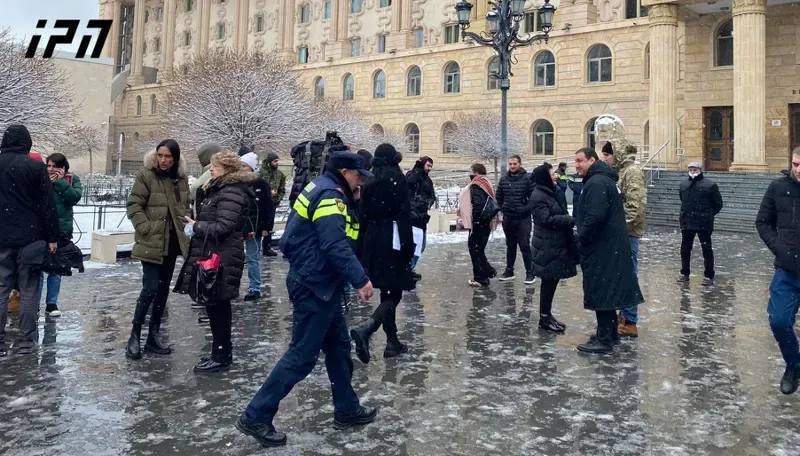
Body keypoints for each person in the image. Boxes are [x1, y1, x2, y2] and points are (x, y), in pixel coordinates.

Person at [237, 152, 376, 447]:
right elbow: (334, 244)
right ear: (344, 171)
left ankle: (346, 408)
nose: (360, 180)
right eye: (358, 175)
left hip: (319, 282)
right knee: (301, 356)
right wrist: (360, 279)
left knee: (339, 348)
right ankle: (257, 414)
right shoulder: (330, 196)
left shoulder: (320, 185)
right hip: (315, 285)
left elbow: (294, 239)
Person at [179, 151, 253, 372]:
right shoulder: (220, 188)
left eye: (215, 167)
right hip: (215, 254)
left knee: (219, 305)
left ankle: (221, 355)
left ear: (227, 170)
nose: (211, 170)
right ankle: (219, 352)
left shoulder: (231, 192)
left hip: (221, 256)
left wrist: (196, 226)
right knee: (214, 304)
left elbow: (223, 227)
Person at [573, 148, 644, 354]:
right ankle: (610, 333)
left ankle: (604, 340)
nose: (576, 165)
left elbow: (594, 217)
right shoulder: (602, 180)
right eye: (575, 161)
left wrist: (581, 238)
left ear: (592, 160)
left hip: (602, 247)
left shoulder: (596, 183)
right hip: (609, 246)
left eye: (580, 161)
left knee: (602, 290)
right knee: (608, 289)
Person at [125, 139, 191, 360]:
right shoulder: (146, 175)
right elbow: (134, 205)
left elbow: (184, 206)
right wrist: (146, 228)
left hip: (172, 243)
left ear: (175, 158)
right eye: (160, 155)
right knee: (150, 288)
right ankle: (134, 335)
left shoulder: (179, 179)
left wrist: (185, 227)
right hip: (151, 242)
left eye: (168, 157)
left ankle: (153, 335)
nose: (163, 160)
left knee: (162, 291)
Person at [350, 144, 416, 363]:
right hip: (393, 239)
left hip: (372, 240)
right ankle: (367, 329)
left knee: (387, 292)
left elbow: (362, 216)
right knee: (394, 292)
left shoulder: (369, 182)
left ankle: (392, 342)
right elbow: (404, 215)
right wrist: (409, 246)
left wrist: (361, 249)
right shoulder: (397, 180)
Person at [0, 124, 59, 356]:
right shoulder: (35, 167)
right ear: (27, 143)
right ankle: (26, 341)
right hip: (31, 238)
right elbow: (48, 205)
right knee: (29, 290)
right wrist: (53, 237)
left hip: (2, 237)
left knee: (2, 289)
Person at [756, 147, 800, 395]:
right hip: (788, 269)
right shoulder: (777, 188)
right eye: (795, 164)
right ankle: (794, 363)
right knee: (779, 320)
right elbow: (762, 221)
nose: (798, 169)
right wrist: (780, 248)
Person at [601, 143, 647, 338]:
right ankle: (625, 316)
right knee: (623, 274)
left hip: (628, 233)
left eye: (607, 155)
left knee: (628, 275)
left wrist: (621, 228)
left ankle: (630, 321)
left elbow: (636, 206)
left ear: (617, 154)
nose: (605, 159)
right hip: (624, 232)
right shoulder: (623, 171)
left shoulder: (632, 172)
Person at [530, 163, 577, 332]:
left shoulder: (549, 192)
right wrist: (569, 220)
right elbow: (546, 220)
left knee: (551, 281)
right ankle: (544, 318)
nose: (555, 176)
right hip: (547, 245)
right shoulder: (539, 195)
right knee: (549, 282)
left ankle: (547, 315)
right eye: (551, 175)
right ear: (544, 178)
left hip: (553, 244)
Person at [39, 153, 83, 317]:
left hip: (62, 231)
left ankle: (51, 303)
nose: (50, 169)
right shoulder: (41, 178)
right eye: (48, 166)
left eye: (54, 166)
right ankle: (34, 302)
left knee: (56, 268)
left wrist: (60, 182)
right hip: (41, 229)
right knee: (38, 268)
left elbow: (74, 198)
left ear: (63, 168)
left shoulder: (72, 179)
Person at [677, 161, 723, 286]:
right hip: (687, 221)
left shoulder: (710, 185)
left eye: (695, 170)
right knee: (685, 249)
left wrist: (708, 214)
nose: (693, 172)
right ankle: (684, 273)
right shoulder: (683, 184)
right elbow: (682, 199)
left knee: (706, 249)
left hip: (703, 222)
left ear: (700, 171)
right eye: (691, 169)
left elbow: (718, 204)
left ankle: (709, 275)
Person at [240, 152, 275, 302]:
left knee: (252, 258)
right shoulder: (236, 183)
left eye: (244, 166)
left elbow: (268, 207)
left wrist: (266, 227)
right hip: (239, 225)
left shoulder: (260, 183)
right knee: (236, 258)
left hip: (254, 227)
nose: (241, 168)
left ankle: (255, 287)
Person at [495, 154, 535, 284]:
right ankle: (509, 271)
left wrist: (526, 209)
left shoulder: (527, 178)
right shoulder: (504, 179)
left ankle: (530, 272)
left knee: (524, 245)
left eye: (515, 164)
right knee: (510, 245)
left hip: (523, 218)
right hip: (509, 218)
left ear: (520, 164)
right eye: (510, 164)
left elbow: (533, 197)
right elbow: (499, 196)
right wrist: (503, 208)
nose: (512, 166)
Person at [458, 163, 499, 287]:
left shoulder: (477, 184)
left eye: (470, 171)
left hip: (480, 223)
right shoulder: (486, 182)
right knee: (478, 249)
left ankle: (481, 278)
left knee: (475, 249)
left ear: (475, 172)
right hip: (485, 222)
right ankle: (487, 271)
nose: (469, 173)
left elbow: (478, 205)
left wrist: (475, 221)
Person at [406, 156, 436, 279]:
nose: (430, 168)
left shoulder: (428, 180)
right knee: (413, 244)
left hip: (422, 216)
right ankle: (408, 268)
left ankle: (410, 267)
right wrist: (417, 169)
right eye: (428, 165)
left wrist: (429, 202)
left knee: (421, 245)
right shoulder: (412, 174)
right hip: (412, 215)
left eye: (431, 166)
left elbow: (432, 195)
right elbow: (410, 183)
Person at [259, 152, 286, 257]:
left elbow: (282, 190)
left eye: (278, 161)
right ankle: (255, 248)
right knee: (258, 227)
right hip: (260, 205)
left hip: (272, 205)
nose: (277, 163)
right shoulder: (260, 173)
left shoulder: (280, 175)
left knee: (269, 226)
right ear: (269, 162)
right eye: (275, 161)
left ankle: (267, 247)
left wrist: (276, 200)